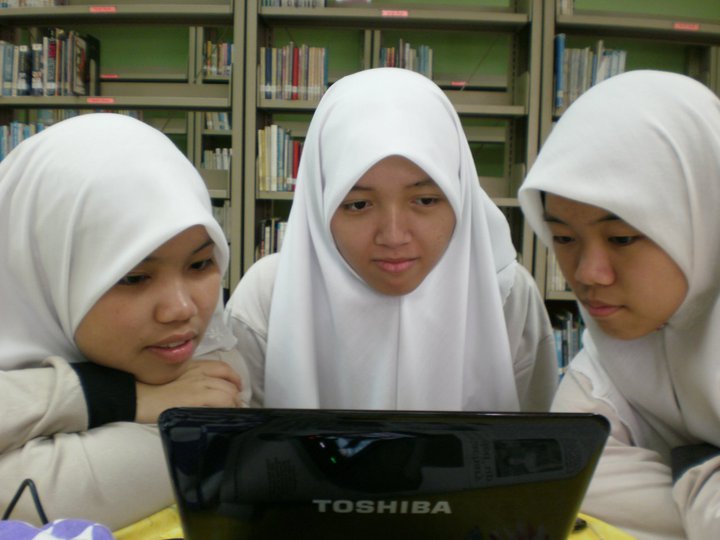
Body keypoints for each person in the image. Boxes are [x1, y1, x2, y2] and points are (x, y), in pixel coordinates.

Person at [226, 67, 557, 411]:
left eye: (425, 200)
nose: (394, 237)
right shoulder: (268, 297)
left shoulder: (507, 295)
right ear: (320, 205)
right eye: (358, 205)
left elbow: (542, 435)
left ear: (460, 196)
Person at [0, 113, 250, 530]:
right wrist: (116, 396)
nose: (181, 309)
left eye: (200, 264)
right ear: (43, 269)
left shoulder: (214, 379)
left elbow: (37, 495)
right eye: (134, 277)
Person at [519, 70, 720, 539]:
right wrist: (701, 477)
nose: (588, 273)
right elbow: (571, 476)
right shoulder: (605, 363)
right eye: (563, 237)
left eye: (622, 237)